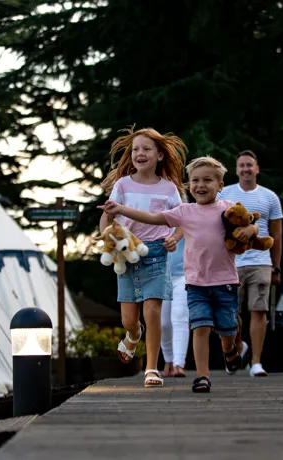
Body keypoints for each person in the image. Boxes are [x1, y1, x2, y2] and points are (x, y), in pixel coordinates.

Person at [100, 156, 259, 393]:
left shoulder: (227, 208)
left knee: (227, 329)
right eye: (195, 180)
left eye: (207, 180)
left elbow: (253, 223)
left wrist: (250, 229)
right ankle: (203, 376)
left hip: (225, 282)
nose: (200, 185)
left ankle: (229, 348)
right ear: (189, 185)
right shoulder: (184, 211)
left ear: (220, 185)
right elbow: (153, 218)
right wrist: (121, 209)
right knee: (200, 328)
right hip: (195, 283)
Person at [99, 125, 187, 387]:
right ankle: (133, 335)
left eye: (146, 149)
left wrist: (174, 237)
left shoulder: (170, 189)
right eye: (135, 149)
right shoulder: (123, 185)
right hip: (126, 255)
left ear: (160, 155)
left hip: (157, 254)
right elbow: (107, 216)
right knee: (129, 319)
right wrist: (107, 237)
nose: (140, 153)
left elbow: (182, 220)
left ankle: (152, 368)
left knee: (153, 312)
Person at [217, 150, 283, 377]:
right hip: (231, 261)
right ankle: (238, 346)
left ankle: (256, 362)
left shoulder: (270, 197)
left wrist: (276, 266)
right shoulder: (224, 194)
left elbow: (276, 234)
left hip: (260, 261)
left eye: (249, 165)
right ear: (236, 170)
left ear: (257, 169)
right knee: (230, 311)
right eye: (241, 165)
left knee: (258, 310)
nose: (245, 169)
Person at [161, 232, 189, 378]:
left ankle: (178, 364)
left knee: (180, 318)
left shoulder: (186, 211)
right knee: (163, 323)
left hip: (184, 274)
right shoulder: (157, 216)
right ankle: (168, 360)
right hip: (161, 275)